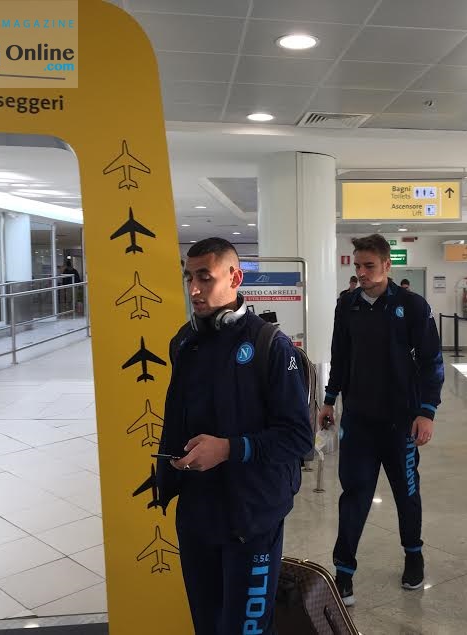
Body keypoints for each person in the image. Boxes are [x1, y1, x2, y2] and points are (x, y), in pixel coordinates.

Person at [156, 237, 312, 635]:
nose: (194, 289)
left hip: (252, 518)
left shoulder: (271, 346)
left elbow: (298, 438)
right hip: (197, 515)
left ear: (235, 278)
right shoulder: (183, 343)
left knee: (245, 629)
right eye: (189, 278)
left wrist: (229, 449)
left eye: (204, 278)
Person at [319, 234, 444, 606]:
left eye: (369, 266)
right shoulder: (348, 305)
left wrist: (426, 412)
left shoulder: (412, 306)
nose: (361, 273)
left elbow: (432, 363)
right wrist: (329, 399)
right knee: (354, 495)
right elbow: (340, 355)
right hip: (358, 422)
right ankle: (344, 572)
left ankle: (413, 555)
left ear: (387, 265)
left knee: (406, 493)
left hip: (400, 423)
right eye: (357, 265)